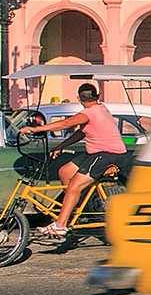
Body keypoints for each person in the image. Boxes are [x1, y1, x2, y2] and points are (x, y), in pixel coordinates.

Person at [18, 82, 127, 237]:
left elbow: (66, 123)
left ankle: (60, 224)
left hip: (107, 155)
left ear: (78, 98)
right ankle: (73, 209)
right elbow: (81, 133)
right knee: (64, 172)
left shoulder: (90, 113)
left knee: (74, 186)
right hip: (97, 153)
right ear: (97, 96)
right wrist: (60, 146)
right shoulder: (101, 108)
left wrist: (36, 129)